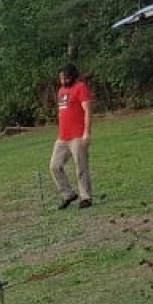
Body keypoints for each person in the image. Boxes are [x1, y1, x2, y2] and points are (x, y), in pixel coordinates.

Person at [50, 63, 92, 209]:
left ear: (72, 76)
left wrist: (87, 132)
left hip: (78, 135)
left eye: (65, 78)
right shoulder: (61, 91)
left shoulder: (81, 87)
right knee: (54, 166)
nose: (62, 81)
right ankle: (68, 194)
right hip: (63, 136)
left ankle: (86, 197)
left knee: (81, 167)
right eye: (61, 78)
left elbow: (87, 110)